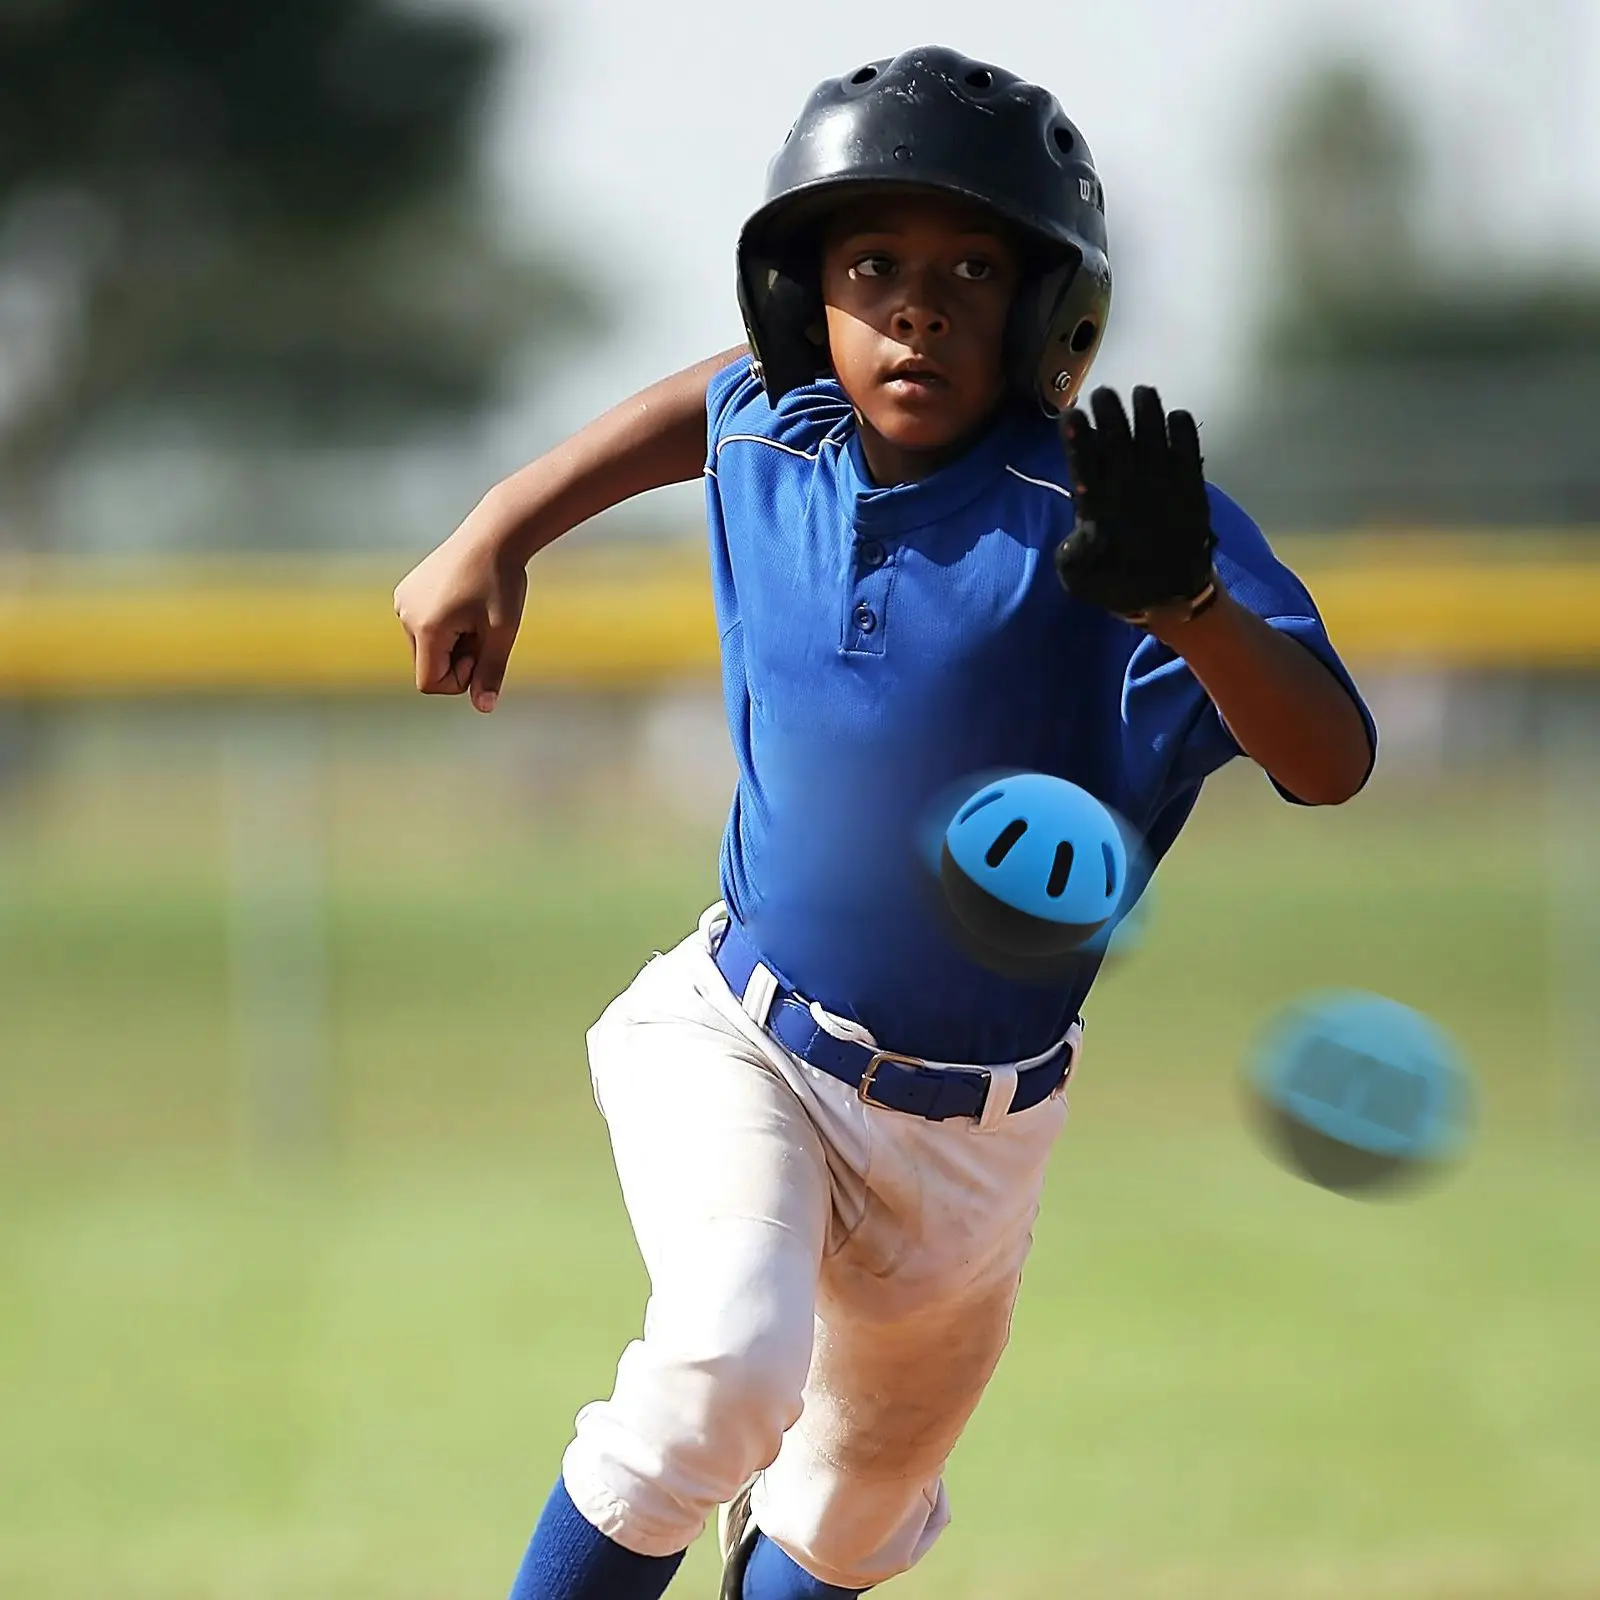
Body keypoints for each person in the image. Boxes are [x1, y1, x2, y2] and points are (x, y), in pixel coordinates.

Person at [392, 44, 1377, 1600]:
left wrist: (1191, 607)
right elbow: (704, 402)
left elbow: (1331, 759)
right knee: (720, 1367)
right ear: (806, 302)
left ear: (1054, 312)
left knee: (844, 1523)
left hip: (979, 1137)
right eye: (873, 267)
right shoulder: (779, 438)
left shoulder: (1105, 518)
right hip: (742, 1040)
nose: (917, 306)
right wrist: (494, 528)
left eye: (973, 268)